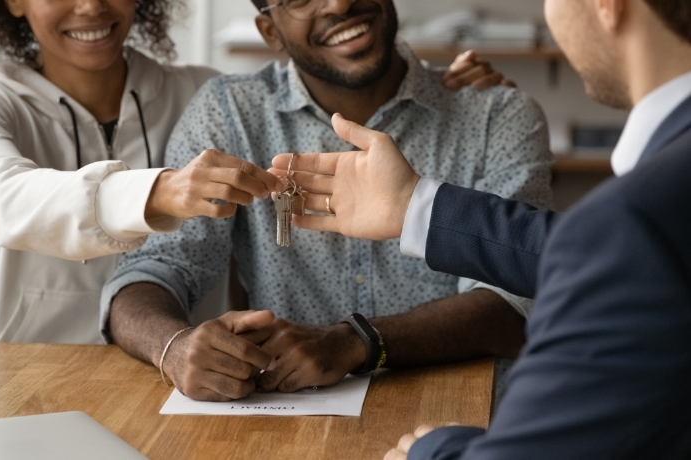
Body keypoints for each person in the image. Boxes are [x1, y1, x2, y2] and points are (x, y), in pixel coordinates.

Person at [273, 0, 691, 458]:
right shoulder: (641, 215)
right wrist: (412, 206)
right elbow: (609, 259)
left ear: (607, 6)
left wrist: (438, 450)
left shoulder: (633, 218)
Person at [101, 0, 553, 402]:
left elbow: (514, 301)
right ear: (270, 32)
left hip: (457, 414)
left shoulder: (498, 114)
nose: (338, 4)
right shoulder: (228, 113)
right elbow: (156, 268)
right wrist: (173, 347)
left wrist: (357, 341)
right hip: (291, 421)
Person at [0, 0, 502, 345]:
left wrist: (439, 90)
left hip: (164, 374)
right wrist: (161, 189)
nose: (90, 4)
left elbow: (318, 76)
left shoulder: (205, 96)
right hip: (30, 358)